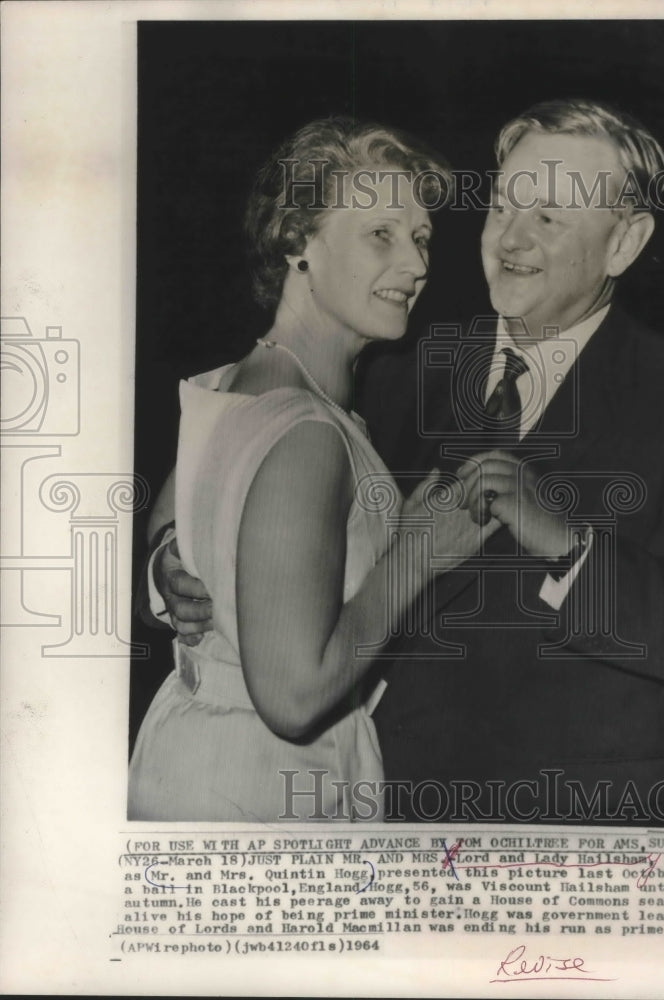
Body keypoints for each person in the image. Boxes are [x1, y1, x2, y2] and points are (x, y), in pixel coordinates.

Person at [156, 100, 664, 824]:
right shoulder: (400, 365)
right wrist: (173, 558)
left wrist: (567, 547)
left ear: (624, 242)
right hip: (389, 816)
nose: (512, 239)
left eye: (549, 216)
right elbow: (233, 451)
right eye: (506, 204)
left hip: (571, 835)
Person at [128, 118, 495, 822]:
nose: (416, 264)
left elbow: (175, 511)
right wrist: (414, 554)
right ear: (298, 241)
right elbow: (294, 700)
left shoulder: (238, 379)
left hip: (196, 754)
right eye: (380, 234)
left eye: (420, 237)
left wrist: (165, 561)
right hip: (262, 785)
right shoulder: (307, 429)